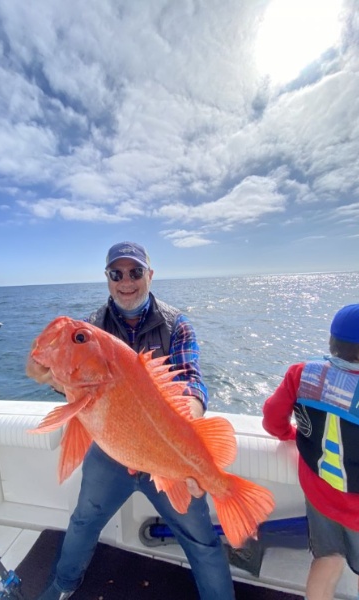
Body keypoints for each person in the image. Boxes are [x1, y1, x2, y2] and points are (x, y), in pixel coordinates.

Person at [31, 241, 235, 600]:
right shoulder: (92, 325)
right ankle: (62, 587)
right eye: (117, 273)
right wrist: (45, 373)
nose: (127, 281)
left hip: (166, 453)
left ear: (149, 275)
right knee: (82, 521)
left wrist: (185, 440)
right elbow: (74, 387)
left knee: (202, 540)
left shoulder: (178, 325)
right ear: (108, 279)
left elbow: (191, 381)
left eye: (135, 272)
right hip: (111, 451)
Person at [262, 302, 359, 600]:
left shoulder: (301, 374)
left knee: (326, 559)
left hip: (319, 495)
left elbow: (273, 418)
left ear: (332, 342)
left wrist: (287, 434)